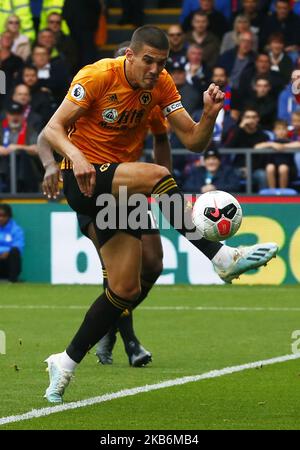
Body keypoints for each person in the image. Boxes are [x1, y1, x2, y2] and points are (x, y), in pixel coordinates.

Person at [42, 25, 278, 403]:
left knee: (125, 289)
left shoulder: (162, 84)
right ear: (130, 56)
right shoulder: (97, 75)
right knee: (159, 174)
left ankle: (65, 362)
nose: (155, 69)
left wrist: (210, 115)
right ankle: (220, 257)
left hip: (120, 189)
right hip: (83, 180)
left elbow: (194, 141)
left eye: (162, 62)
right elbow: (51, 129)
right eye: (148, 61)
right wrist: (75, 158)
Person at [39, 43, 171, 368]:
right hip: (91, 186)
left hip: (130, 186)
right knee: (115, 273)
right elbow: (47, 136)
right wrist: (50, 166)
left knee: (152, 264)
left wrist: (163, 183)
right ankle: (130, 341)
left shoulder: (149, 97)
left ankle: (108, 326)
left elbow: (162, 139)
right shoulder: (93, 89)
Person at [255, 119, 296, 189]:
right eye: (279, 129)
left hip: (288, 169)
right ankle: (272, 191)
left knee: (283, 168)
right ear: (274, 131)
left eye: (284, 129)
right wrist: (272, 144)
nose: (281, 131)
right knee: (270, 167)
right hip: (273, 168)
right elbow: (257, 147)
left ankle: (283, 191)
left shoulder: (290, 141)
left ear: (287, 130)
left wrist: (284, 146)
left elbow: (298, 144)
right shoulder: (271, 142)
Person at [0, 203, 24, 282]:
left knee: (14, 251)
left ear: (9, 216)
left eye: (3, 216)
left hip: (8, 262)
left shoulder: (16, 229)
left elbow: (18, 247)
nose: (1, 218)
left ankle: (13, 281)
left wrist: (7, 252)